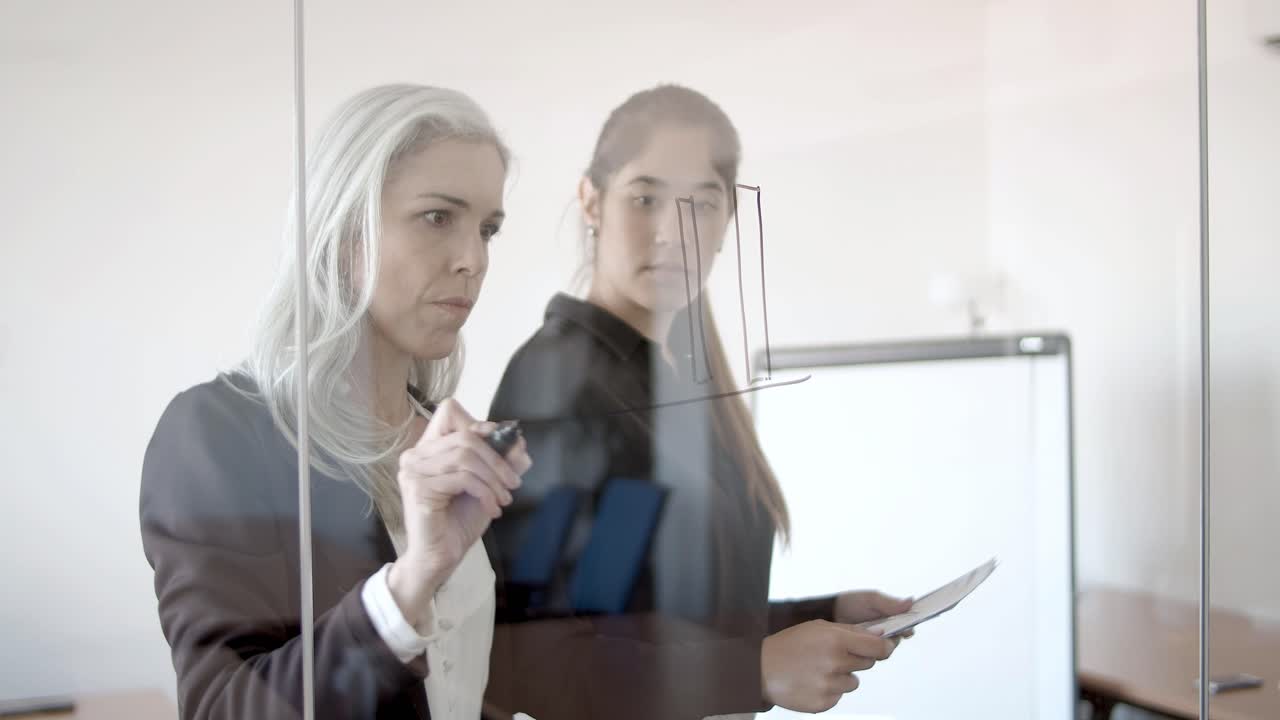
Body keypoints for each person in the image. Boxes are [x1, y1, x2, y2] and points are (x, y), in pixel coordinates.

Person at [485, 84, 910, 720]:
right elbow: (528, 657)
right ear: (591, 200)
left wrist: (819, 618)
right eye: (646, 197)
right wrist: (756, 670)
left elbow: (651, 616)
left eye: (702, 205)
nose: (672, 232)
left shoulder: (671, 381)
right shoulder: (563, 382)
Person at [140, 84, 530, 720]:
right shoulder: (219, 434)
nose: (473, 259)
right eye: (438, 217)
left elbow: (474, 683)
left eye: (488, 229)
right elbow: (223, 708)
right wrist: (412, 582)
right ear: (345, 229)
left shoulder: (450, 440)